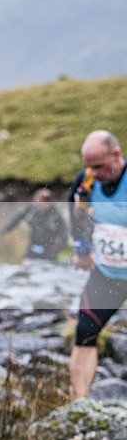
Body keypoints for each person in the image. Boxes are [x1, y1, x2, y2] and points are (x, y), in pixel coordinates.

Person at [67, 130, 127, 401]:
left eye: (99, 166)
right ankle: (79, 404)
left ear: (116, 155)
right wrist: (82, 249)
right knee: (85, 332)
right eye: (89, 165)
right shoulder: (87, 182)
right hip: (107, 275)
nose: (93, 172)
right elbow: (73, 210)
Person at [1, 187, 68, 264]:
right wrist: (5, 230)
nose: (42, 203)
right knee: (26, 264)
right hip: (33, 247)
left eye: (45, 200)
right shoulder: (31, 209)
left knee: (49, 267)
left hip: (49, 250)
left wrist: (58, 248)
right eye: (40, 200)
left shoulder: (56, 214)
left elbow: (64, 235)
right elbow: (17, 217)